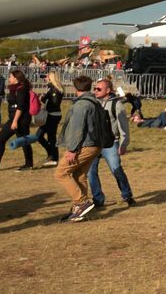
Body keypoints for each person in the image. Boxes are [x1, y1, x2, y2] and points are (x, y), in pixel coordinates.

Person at [54, 75, 108, 221]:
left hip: (85, 144)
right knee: (79, 174)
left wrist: (72, 149)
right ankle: (79, 210)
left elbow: (77, 128)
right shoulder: (94, 102)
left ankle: (82, 202)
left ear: (75, 87)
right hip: (95, 144)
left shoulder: (81, 105)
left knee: (61, 173)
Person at [87, 78, 135, 209]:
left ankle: (127, 195)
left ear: (108, 90)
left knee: (116, 170)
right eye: (95, 88)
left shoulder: (116, 105)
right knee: (91, 172)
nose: (95, 91)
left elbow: (123, 126)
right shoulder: (92, 103)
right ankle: (98, 198)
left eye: (99, 89)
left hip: (110, 143)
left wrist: (124, 143)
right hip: (94, 143)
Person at [9, 70, 64, 166]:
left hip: (52, 116)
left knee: (49, 137)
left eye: (47, 76)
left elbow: (54, 104)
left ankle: (54, 158)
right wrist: (43, 98)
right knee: (40, 136)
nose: (45, 78)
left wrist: (45, 100)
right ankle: (51, 155)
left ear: (51, 78)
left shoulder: (54, 90)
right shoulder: (51, 89)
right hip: (51, 115)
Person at [0, 68, 34, 171]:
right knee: (2, 139)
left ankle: (29, 164)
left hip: (20, 120)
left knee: (23, 141)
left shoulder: (21, 89)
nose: (9, 78)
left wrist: (15, 121)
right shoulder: (14, 88)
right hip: (13, 118)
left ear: (16, 78)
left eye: (11, 77)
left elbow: (20, 107)